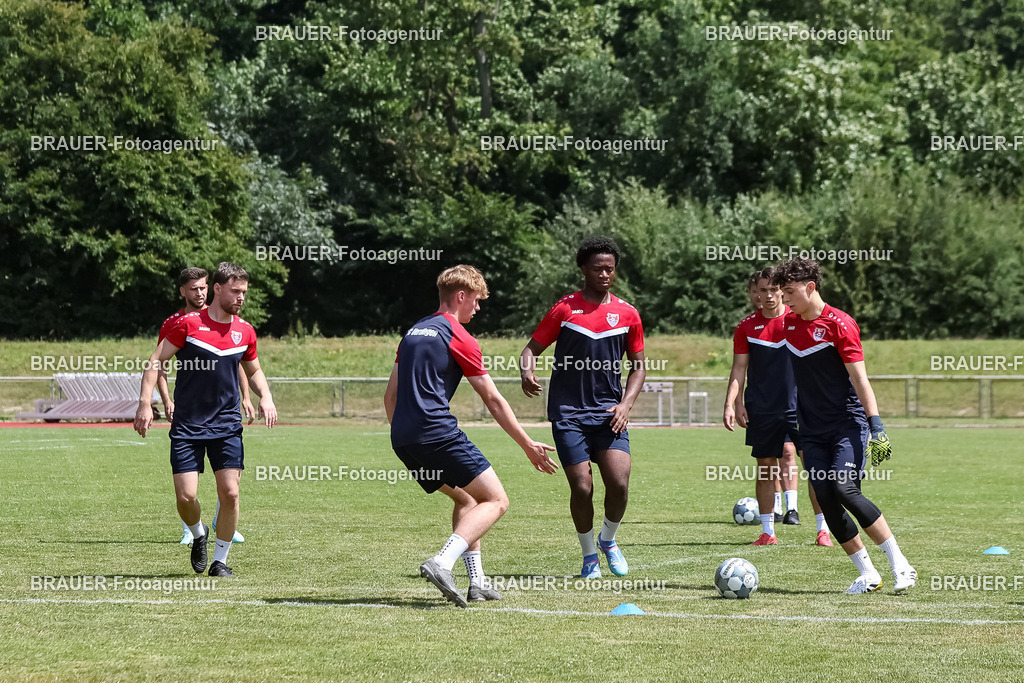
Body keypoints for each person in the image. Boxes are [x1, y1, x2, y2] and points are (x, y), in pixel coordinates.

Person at [384, 265, 558, 608]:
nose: (477, 308)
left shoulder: (412, 333)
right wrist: (527, 444)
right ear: (461, 296)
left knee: (467, 500)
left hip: (403, 439)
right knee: (497, 501)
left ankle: (477, 583)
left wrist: (405, 434)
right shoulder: (459, 336)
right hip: (437, 434)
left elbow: (390, 396)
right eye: (476, 300)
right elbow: (493, 399)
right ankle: (442, 562)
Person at [774, 258, 914, 593]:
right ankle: (868, 574)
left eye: (789, 291)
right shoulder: (788, 323)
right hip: (811, 429)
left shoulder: (841, 324)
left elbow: (860, 379)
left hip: (846, 424)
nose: (784, 298)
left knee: (844, 488)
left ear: (810, 287)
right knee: (825, 496)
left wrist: (876, 425)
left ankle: (901, 565)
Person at [135, 263, 278, 578]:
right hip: (188, 425)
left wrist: (264, 396)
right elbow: (156, 361)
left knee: (231, 493)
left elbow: (253, 369)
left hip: (226, 425)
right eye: (235, 291)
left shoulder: (245, 330)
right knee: (186, 497)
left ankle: (220, 562)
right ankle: (198, 533)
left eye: (244, 292)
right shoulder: (187, 325)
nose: (241, 298)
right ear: (218, 289)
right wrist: (145, 403)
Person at [520, 237, 646, 579]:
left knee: (619, 484)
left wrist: (626, 404)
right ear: (583, 270)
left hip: (609, 414)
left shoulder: (628, 313)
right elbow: (531, 349)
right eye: (598, 268)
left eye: (610, 269)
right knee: (582, 487)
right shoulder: (565, 309)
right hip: (568, 414)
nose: (605, 274)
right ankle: (589, 555)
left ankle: (608, 540)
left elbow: (639, 367)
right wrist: (527, 370)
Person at [724, 267, 832, 546]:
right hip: (762, 408)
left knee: (814, 467)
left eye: (774, 289)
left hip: (803, 407)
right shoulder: (746, 327)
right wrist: (732, 403)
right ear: (756, 293)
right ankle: (767, 532)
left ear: (783, 290)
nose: (769, 295)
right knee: (765, 468)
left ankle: (823, 530)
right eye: (763, 290)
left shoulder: (799, 321)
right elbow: (738, 369)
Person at [157, 267, 252, 546]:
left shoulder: (231, 322)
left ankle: (222, 525)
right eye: (194, 288)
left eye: (203, 287)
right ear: (183, 291)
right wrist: (166, 400)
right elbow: (158, 363)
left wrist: (247, 396)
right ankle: (192, 529)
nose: (200, 293)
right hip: (190, 414)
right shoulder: (177, 323)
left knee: (230, 485)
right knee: (186, 491)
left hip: (224, 416)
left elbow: (237, 361)